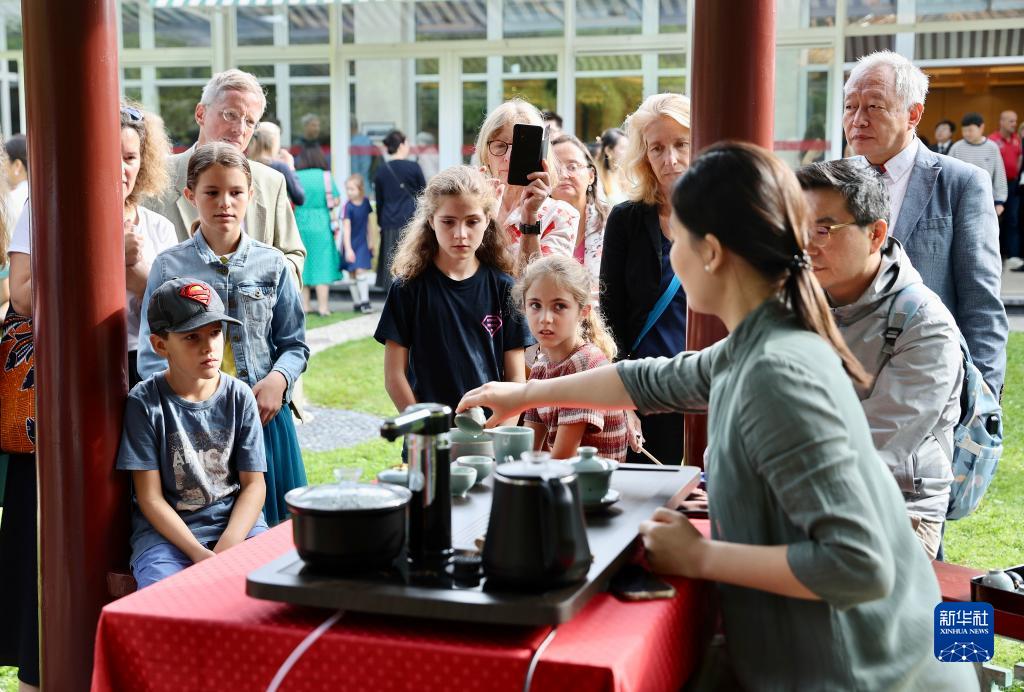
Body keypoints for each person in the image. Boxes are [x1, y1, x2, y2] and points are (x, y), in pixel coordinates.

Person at [458, 142, 978, 691]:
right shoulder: (761, 339)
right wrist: (524, 395)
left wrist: (701, 557)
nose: (672, 257)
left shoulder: (777, 371)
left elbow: (860, 564)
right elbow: (649, 380)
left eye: (676, 241)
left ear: (709, 252)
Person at [797, 159, 963, 559]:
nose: (806, 245)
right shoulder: (798, 299)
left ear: (875, 234)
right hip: (803, 493)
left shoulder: (925, 324)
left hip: (898, 507)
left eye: (823, 229)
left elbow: (873, 447)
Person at [137, 143, 309, 526]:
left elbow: (294, 344)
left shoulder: (274, 264)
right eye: (212, 192)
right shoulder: (168, 266)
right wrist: (182, 406)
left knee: (276, 532)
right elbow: (151, 355)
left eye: (235, 192)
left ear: (251, 194)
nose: (224, 203)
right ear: (190, 196)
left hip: (264, 418)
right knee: (211, 529)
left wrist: (279, 380)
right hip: (196, 426)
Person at [843, 50, 1007, 397]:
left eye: (874, 106)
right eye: (850, 106)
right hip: (841, 384)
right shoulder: (829, 183)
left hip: (927, 385)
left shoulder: (961, 183)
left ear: (913, 114)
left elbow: (981, 303)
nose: (858, 120)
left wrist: (982, 402)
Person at [117, 277, 268, 589]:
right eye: (191, 337)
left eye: (215, 332)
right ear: (160, 345)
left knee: (271, 589)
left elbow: (254, 485)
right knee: (166, 600)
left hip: (237, 526)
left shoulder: (239, 396)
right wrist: (198, 553)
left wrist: (228, 545)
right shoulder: (144, 403)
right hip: (167, 537)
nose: (209, 346)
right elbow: (149, 497)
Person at [375, 165, 533, 417]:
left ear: (487, 220)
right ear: (431, 220)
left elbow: (516, 379)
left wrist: (499, 431)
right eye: (448, 222)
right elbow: (394, 377)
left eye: (472, 222)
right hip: (428, 433)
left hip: (491, 432)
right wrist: (425, 429)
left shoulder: (505, 288)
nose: (460, 234)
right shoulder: (408, 288)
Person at [144, 68, 306, 282]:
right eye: (230, 115)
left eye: (250, 122)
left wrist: (258, 284)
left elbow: (293, 256)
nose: (240, 129)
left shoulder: (271, 182)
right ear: (200, 114)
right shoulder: (156, 177)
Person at [599, 92, 691, 466]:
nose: (670, 159)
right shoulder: (626, 220)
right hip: (644, 394)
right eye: (657, 148)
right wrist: (622, 402)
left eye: (682, 144)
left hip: (710, 388)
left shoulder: (725, 216)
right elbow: (610, 318)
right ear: (644, 155)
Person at [517, 255, 626, 461]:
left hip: (594, 479)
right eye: (535, 305)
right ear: (524, 307)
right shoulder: (541, 367)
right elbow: (530, 449)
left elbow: (563, 459)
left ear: (583, 311)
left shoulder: (586, 363)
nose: (545, 319)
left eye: (559, 306)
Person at [0, 142, 38, 692]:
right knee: (32, 535)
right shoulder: (36, 205)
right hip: (39, 404)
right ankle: (33, 670)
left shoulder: (152, 223)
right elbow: (23, 298)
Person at [475, 99, 578, 274]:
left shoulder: (560, 215)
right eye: (499, 146)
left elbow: (542, 283)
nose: (508, 157)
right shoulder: (469, 205)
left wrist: (530, 217)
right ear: (485, 155)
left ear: (540, 154)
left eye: (520, 147)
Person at [550, 134, 608, 302]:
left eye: (572, 167)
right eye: (555, 168)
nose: (563, 174)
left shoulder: (612, 222)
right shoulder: (532, 222)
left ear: (591, 175)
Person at [373, 129, 426, 292]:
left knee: (390, 260)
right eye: (407, 143)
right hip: (411, 220)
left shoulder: (382, 170)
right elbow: (424, 194)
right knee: (411, 258)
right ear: (401, 145)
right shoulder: (413, 167)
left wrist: (380, 222)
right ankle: (410, 293)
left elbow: (379, 200)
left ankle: (392, 295)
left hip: (389, 220)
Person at [293, 145, 342, 315]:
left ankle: (305, 306)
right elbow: (335, 200)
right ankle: (323, 307)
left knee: (303, 264)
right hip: (321, 223)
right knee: (323, 264)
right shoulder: (325, 176)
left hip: (300, 222)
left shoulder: (296, 176)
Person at [948, 112, 1008, 217]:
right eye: (964, 130)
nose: (967, 134)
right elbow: (948, 173)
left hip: (986, 200)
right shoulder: (956, 147)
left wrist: (999, 201)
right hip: (960, 199)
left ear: (981, 128)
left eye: (970, 130)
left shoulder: (992, 147)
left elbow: (999, 175)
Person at [248, 122, 306, 207]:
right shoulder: (280, 167)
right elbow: (299, 198)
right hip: (273, 214)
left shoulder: (246, 164)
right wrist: (290, 168)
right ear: (274, 142)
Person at [990, 110, 1021, 263]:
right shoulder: (993, 140)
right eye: (1011, 121)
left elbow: (1020, 158)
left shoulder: (1017, 139)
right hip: (996, 185)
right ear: (1001, 122)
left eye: (1015, 121)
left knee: (1012, 218)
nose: (1014, 124)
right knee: (995, 219)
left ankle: (1012, 254)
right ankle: (997, 253)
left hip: (1013, 184)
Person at [342, 173, 374, 314]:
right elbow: (346, 229)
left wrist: (371, 240)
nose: (349, 192)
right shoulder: (347, 206)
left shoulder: (366, 202)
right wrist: (348, 249)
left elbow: (368, 223)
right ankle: (357, 302)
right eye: (347, 189)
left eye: (352, 189)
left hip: (362, 243)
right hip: (350, 243)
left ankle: (365, 302)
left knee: (361, 270)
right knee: (352, 273)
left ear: (360, 189)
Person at [595, 127, 630, 205]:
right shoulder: (598, 178)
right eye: (623, 148)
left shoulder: (630, 175)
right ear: (608, 151)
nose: (628, 152)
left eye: (628, 148)